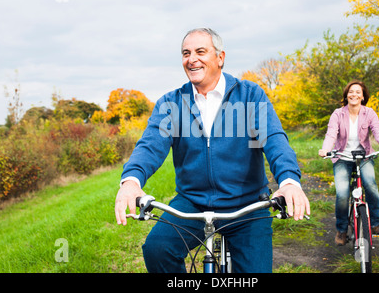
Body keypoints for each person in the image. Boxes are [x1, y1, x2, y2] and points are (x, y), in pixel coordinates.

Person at [114, 28, 310, 273]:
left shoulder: (250, 95)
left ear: (220, 57)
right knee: (157, 249)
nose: (191, 59)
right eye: (186, 53)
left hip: (247, 205)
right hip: (193, 203)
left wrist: (289, 181)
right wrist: (130, 181)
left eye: (200, 51)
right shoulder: (171, 103)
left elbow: (274, 139)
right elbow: (150, 146)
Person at [318, 81, 379, 246]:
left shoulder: (369, 113)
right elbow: (331, 134)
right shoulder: (338, 114)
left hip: (364, 156)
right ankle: (341, 229)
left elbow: (378, 132)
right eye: (350, 92)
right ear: (346, 95)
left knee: (371, 186)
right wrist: (326, 149)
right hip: (342, 157)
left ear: (363, 96)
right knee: (342, 194)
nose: (353, 94)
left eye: (357, 92)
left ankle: (376, 224)